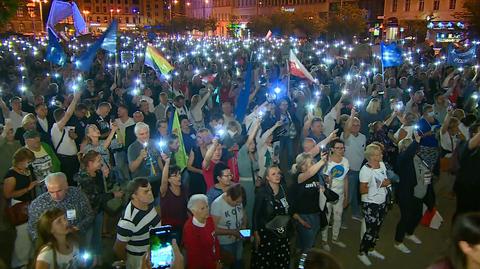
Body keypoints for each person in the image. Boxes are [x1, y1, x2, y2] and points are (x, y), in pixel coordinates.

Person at [75, 150, 123, 267]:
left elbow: (102, 190)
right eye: (98, 161)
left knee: (97, 236)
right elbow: (95, 197)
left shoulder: (98, 173)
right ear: (90, 164)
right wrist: (114, 195)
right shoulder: (84, 179)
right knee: (88, 239)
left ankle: (97, 260)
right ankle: (87, 263)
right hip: (88, 213)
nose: (101, 163)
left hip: (98, 211)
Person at [27, 172, 94, 241]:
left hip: (78, 238)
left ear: (66, 185)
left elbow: (89, 215)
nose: (56, 195)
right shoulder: (38, 204)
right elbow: (32, 229)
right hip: (53, 243)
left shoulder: (77, 194)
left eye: (59, 190)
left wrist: (78, 228)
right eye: (51, 192)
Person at [114, 177, 161, 269]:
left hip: (155, 253)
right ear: (134, 196)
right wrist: (128, 261)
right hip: (139, 261)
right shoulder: (128, 222)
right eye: (145, 191)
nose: (150, 193)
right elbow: (118, 248)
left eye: (150, 189)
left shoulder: (150, 203)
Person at [394, 131, 429, 254]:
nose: (417, 149)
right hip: (405, 192)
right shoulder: (402, 159)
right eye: (412, 146)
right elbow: (407, 155)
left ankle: (409, 233)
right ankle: (398, 241)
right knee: (406, 217)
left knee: (417, 214)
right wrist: (416, 141)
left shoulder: (417, 158)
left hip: (416, 191)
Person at [3, 148, 38, 268]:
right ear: (20, 161)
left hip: (30, 204)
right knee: (22, 236)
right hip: (19, 207)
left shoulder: (28, 170)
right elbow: (8, 194)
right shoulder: (11, 175)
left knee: (31, 233)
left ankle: (30, 259)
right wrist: (27, 188)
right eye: (28, 161)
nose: (29, 164)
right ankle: (20, 263)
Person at [357, 144, 391, 266]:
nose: (381, 155)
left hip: (382, 201)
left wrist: (387, 184)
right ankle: (362, 252)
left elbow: (385, 179)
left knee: (377, 227)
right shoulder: (365, 170)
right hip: (370, 203)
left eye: (381, 153)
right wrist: (381, 184)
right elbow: (362, 190)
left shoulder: (381, 164)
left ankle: (371, 249)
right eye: (378, 154)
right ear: (371, 157)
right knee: (370, 229)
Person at [251, 165, 291, 269]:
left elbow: (289, 210)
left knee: (281, 260)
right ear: (267, 177)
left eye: (279, 173)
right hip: (266, 234)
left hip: (282, 232)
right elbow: (255, 215)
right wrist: (256, 233)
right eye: (273, 174)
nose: (277, 176)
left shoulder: (284, 189)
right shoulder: (261, 192)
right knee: (267, 261)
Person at [289, 152, 328, 253]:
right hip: (304, 215)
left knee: (305, 238)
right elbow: (309, 173)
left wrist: (321, 188)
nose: (313, 164)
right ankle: (303, 264)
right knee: (309, 247)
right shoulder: (298, 176)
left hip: (315, 212)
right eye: (311, 163)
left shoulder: (315, 176)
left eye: (313, 162)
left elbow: (315, 184)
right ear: (302, 166)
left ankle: (298, 250)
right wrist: (322, 161)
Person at [321, 139, 350, 250]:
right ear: (332, 149)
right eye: (338, 148)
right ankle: (324, 240)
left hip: (340, 194)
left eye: (342, 148)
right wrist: (328, 179)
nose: (341, 150)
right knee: (327, 217)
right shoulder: (326, 161)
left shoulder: (346, 161)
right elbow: (323, 179)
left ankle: (335, 238)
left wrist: (347, 196)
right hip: (328, 195)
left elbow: (346, 179)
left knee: (338, 217)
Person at [210, 184, 247, 269]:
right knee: (227, 263)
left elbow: (244, 214)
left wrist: (244, 225)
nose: (238, 204)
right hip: (225, 243)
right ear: (229, 196)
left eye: (239, 202)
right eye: (236, 202)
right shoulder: (217, 205)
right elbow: (214, 229)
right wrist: (233, 232)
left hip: (239, 239)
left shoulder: (238, 199)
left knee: (239, 261)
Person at [50, 90, 82, 185]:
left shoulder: (67, 128)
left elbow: (75, 137)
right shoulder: (55, 128)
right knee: (68, 183)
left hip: (74, 159)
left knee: (76, 183)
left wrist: (74, 136)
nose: (68, 116)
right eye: (65, 115)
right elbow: (68, 114)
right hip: (65, 160)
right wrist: (75, 99)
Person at [183, 194, 222, 269]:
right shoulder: (190, 229)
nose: (207, 210)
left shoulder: (209, 220)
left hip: (214, 261)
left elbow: (215, 241)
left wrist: (218, 260)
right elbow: (196, 256)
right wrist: (214, 266)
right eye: (202, 208)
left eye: (207, 206)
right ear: (193, 211)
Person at [341, 108, 366, 220]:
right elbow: (346, 128)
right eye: (353, 125)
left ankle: (355, 213)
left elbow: (362, 153)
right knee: (348, 196)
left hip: (358, 170)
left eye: (358, 125)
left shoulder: (363, 137)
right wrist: (352, 115)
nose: (356, 127)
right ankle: (340, 218)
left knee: (355, 193)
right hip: (349, 171)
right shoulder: (346, 137)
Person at [128, 122, 163, 199]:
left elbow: (158, 159)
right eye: (142, 134)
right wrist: (140, 157)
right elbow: (132, 169)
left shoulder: (153, 142)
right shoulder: (132, 148)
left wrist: (164, 173)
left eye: (147, 133)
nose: (145, 136)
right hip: (144, 183)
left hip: (158, 178)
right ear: (136, 135)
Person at [453, 123, 480, 219]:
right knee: (463, 213)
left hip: (477, 187)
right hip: (466, 187)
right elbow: (469, 146)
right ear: (473, 134)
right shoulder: (464, 144)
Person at [160, 156, 188, 242]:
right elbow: (163, 181)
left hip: (183, 224)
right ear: (169, 179)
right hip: (170, 228)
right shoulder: (165, 191)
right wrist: (167, 163)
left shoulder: (183, 188)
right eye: (175, 176)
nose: (179, 177)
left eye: (179, 174)